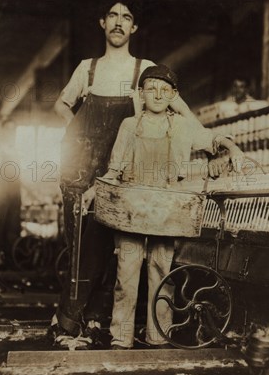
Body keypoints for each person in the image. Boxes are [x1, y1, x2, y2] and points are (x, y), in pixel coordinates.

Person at [50, 0, 205, 347]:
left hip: (121, 167)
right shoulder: (86, 69)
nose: (119, 23)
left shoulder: (143, 70)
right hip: (81, 167)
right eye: (113, 17)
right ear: (102, 22)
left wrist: (209, 140)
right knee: (78, 243)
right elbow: (61, 104)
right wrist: (78, 131)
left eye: (127, 17)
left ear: (134, 28)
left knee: (116, 246)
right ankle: (69, 321)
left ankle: (96, 322)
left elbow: (181, 111)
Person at [86, 64, 244, 349]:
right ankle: (121, 336)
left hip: (167, 209)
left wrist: (232, 148)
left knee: (162, 271)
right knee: (127, 272)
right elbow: (113, 171)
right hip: (131, 209)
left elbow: (212, 139)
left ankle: (158, 335)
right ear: (141, 94)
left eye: (164, 90)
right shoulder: (129, 126)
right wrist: (93, 191)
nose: (157, 95)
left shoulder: (183, 127)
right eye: (151, 89)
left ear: (174, 95)